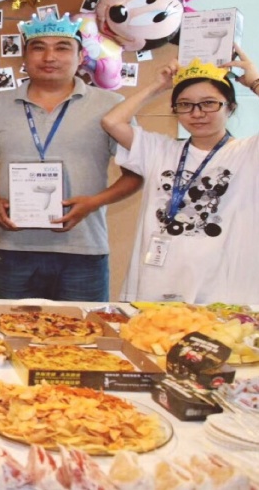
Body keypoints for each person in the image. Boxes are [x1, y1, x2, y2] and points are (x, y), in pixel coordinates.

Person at [0, 13, 142, 301]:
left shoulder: (111, 105)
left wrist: (93, 203)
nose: (49, 57)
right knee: (13, 328)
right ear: (25, 56)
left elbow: (136, 173)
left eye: (62, 47)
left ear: (81, 56)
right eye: (38, 48)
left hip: (84, 249)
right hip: (14, 249)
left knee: (83, 329)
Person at [101, 51, 259, 304]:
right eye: (185, 105)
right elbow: (112, 121)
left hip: (222, 290)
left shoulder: (248, 152)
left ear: (230, 107)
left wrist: (255, 82)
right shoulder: (160, 150)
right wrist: (158, 86)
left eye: (209, 103)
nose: (197, 113)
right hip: (157, 284)